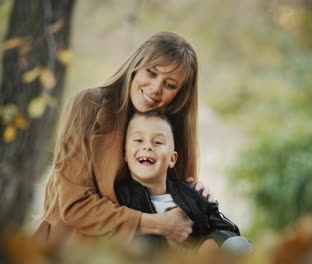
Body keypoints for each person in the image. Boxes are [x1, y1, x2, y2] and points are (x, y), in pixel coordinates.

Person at [34, 32, 214, 247]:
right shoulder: (88, 106)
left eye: (170, 85)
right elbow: (75, 205)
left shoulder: (171, 130)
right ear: (136, 65)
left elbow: (180, 225)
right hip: (70, 247)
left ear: (180, 93)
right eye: (151, 72)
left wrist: (193, 198)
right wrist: (156, 223)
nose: (156, 88)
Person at [115, 111, 251, 255]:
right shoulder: (117, 196)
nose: (147, 147)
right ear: (125, 154)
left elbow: (229, 230)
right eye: (138, 140)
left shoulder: (191, 193)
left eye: (158, 142)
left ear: (172, 159)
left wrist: (211, 244)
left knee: (240, 243)